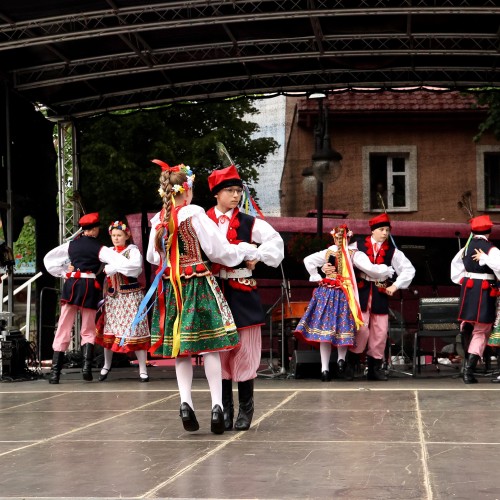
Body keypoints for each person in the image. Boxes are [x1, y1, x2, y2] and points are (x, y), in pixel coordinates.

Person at [146, 159, 258, 434]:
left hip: (173, 287)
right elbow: (219, 250)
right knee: (210, 345)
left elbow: (151, 256)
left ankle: (185, 403)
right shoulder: (194, 213)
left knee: (180, 348)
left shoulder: (159, 219)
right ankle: (217, 407)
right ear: (188, 190)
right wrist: (244, 251)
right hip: (197, 282)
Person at [206, 164, 284, 431]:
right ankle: (224, 408)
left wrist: (257, 254)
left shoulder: (250, 223)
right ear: (216, 193)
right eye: (230, 191)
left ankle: (246, 408)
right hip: (214, 291)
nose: (236, 196)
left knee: (245, 349)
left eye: (239, 191)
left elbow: (276, 243)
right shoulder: (202, 221)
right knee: (220, 350)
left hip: (242, 290)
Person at [43, 212, 132, 384]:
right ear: (94, 230)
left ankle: (55, 374)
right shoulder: (99, 248)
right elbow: (121, 262)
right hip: (89, 287)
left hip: (72, 285)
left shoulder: (70, 245)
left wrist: (64, 272)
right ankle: (86, 369)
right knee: (88, 328)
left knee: (63, 327)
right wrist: (109, 269)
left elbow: (49, 261)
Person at [299, 225, 394, 381]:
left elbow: (308, 260)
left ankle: (326, 369)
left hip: (328, 294)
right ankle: (340, 360)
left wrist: (318, 275)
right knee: (344, 327)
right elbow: (371, 269)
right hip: (344, 294)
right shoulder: (353, 253)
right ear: (347, 238)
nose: (340, 240)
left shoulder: (329, 251)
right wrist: (386, 270)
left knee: (327, 330)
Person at [350, 213, 415, 381]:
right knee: (361, 328)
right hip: (361, 291)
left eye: (387, 230)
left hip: (380, 291)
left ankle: (375, 368)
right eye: (381, 230)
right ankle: (352, 362)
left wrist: (395, 285)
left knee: (380, 331)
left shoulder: (393, 251)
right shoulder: (357, 246)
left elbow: (409, 269)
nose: (385, 233)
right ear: (373, 231)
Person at [95, 220, 151, 382]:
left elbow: (134, 267)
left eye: (119, 235)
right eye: (113, 235)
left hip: (131, 297)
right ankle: (106, 365)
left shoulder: (132, 251)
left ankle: (142, 368)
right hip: (113, 299)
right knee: (109, 332)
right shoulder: (109, 251)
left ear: (127, 236)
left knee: (136, 332)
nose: (116, 238)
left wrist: (115, 267)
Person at [451, 214, 499, 384]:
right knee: (482, 330)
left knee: (468, 324)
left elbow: (455, 269)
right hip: (484, 291)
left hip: (469, 289)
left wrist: (465, 280)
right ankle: (468, 372)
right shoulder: (491, 249)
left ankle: (466, 365)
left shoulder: (466, 247)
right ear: (489, 232)